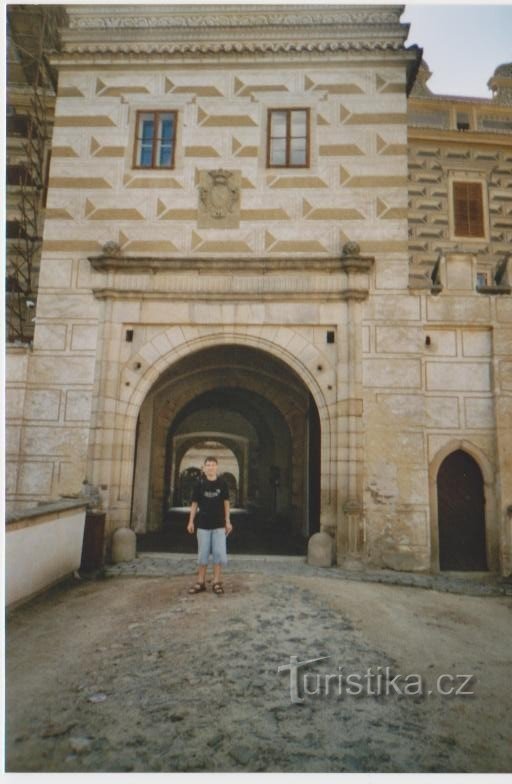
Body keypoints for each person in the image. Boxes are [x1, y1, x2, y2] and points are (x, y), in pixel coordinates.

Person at [186, 456, 233, 595]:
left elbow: (226, 503)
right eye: (208, 465)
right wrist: (190, 521)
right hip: (203, 524)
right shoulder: (199, 484)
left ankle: (217, 582)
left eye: (213, 465)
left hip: (219, 525)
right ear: (204, 467)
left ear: (217, 467)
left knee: (218, 554)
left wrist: (228, 521)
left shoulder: (222, 483)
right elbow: (194, 504)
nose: (210, 467)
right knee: (203, 554)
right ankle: (200, 582)